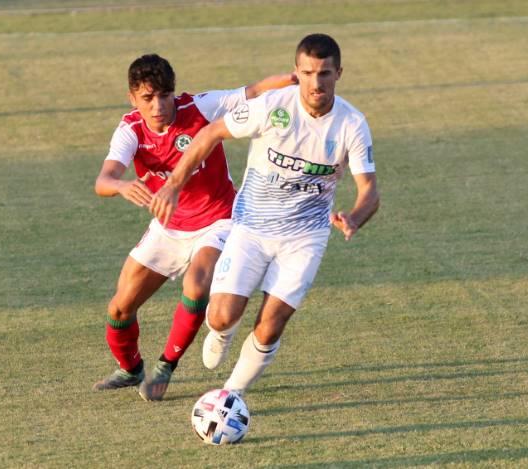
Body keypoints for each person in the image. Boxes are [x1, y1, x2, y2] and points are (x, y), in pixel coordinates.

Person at [150, 34, 380, 396]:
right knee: (221, 316)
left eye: (324, 73)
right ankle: (222, 332)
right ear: (297, 72)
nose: (316, 83)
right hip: (251, 227)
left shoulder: (351, 124)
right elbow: (211, 133)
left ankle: (230, 396)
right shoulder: (273, 107)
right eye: (308, 73)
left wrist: (354, 217)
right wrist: (174, 184)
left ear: (339, 73)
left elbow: (370, 191)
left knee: (271, 324)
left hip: (305, 236)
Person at [93, 53, 295, 401]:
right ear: (132, 98)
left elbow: (254, 90)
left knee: (197, 284)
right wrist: (122, 186)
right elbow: (103, 180)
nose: (158, 106)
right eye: (147, 97)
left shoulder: (200, 108)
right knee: (120, 309)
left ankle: (165, 367)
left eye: (164, 95)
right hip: (168, 226)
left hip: (219, 218)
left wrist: (297, 80)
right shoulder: (131, 130)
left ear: (174, 93)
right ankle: (130, 369)